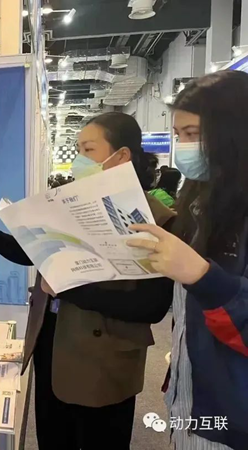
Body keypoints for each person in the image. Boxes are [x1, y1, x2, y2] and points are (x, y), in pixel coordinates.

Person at [0, 112, 175, 449]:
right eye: (78, 149)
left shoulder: (157, 220)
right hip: (53, 342)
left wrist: (72, 288)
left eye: (89, 150)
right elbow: (38, 251)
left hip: (104, 359)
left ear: (122, 156)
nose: (79, 160)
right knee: (53, 436)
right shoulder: (72, 201)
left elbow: (152, 306)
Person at [128, 71, 248, 449]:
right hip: (192, 399)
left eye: (193, 134)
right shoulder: (198, 206)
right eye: (178, 135)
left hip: (234, 421)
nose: (183, 147)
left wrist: (202, 277)